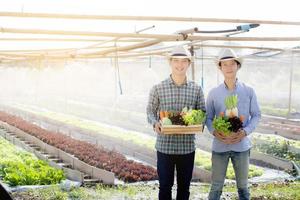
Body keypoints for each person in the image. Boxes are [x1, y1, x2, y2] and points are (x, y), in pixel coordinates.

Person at [146, 45, 205, 200]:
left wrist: (199, 121)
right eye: (176, 61)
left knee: (184, 188)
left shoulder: (196, 89)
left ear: (188, 64)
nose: (180, 65)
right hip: (165, 146)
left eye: (184, 61)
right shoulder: (158, 88)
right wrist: (155, 123)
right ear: (170, 63)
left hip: (187, 147)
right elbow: (150, 112)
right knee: (165, 186)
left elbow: (203, 112)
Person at [206, 48, 261, 200]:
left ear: (238, 66)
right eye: (225, 64)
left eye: (232, 64)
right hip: (220, 146)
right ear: (220, 68)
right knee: (216, 187)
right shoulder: (213, 93)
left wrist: (245, 132)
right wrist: (214, 132)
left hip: (241, 146)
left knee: (243, 188)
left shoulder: (248, 91)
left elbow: (256, 115)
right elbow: (208, 118)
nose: (229, 68)